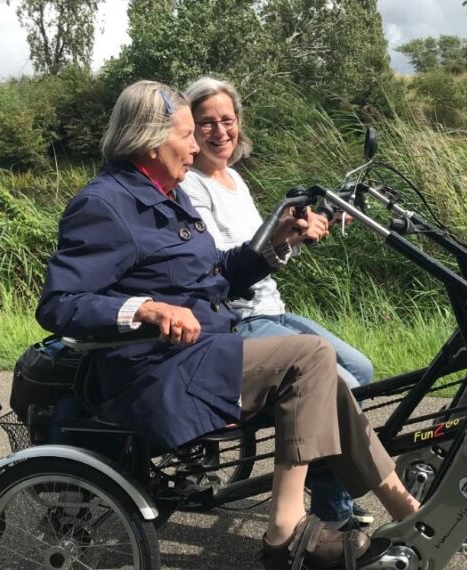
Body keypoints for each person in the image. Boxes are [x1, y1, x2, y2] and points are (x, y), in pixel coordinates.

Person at [35, 80, 419, 569]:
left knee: (329, 380)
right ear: (151, 141)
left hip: (202, 356)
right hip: (156, 374)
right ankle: (285, 533)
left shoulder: (170, 195)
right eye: (187, 135)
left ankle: (406, 510)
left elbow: (216, 276)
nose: (197, 146)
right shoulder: (104, 204)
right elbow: (60, 304)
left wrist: (275, 242)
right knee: (310, 355)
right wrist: (145, 309)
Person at [180, 76, 376, 530]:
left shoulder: (233, 180)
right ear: (190, 129)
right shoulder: (192, 186)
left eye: (227, 120)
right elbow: (228, 264)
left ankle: (326, 485)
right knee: (337, 384)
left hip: (271, 308)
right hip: (238, 319)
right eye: (206, 123)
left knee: (361, 370)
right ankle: (332, 517)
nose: (219, 131)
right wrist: (285, 235)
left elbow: (265, 252)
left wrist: (305, 230)